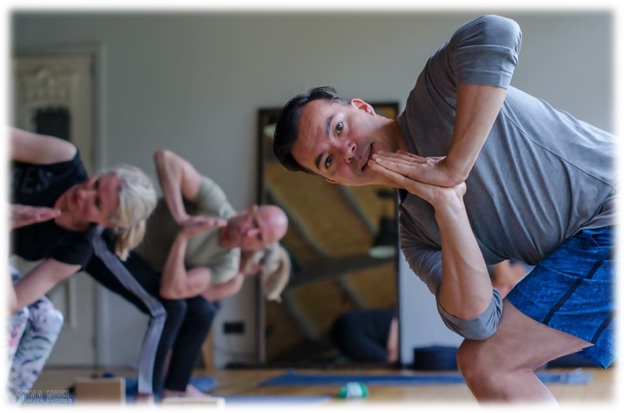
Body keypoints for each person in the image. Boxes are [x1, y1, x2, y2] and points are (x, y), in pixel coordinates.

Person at [272, 15, 614, 403]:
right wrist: (447, 204)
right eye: (327, 162)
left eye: (338, 128)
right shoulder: (416, 234)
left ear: (362, 108)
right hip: (590, 247)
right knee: (483, 357)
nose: (344, 150)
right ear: (335, 181)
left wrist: (453, 168)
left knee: (489, 363)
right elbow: (478, 322)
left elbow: (498, 30)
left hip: (609, 214)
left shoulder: (434, 96)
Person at [85, 149, 289, 401]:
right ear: (251, 210)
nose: (249, 234)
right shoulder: (214, 203)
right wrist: (181, 216)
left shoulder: (227, 265)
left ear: (260, 247)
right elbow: (164, 158)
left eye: (258, 237)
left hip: (141, 264)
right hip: (110, 242)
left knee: (201, 310)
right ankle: (145, 395)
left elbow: (173, 290)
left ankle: (174, 389)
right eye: (254, 224)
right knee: (168, 309)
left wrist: (182, 239)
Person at [8, 127, 157, 400]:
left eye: (97, 203)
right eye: (97, 183)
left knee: (45, 318)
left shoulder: (77, 250)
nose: (84, 193)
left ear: (108, 224)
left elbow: (14, 300)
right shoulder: (62, 158)